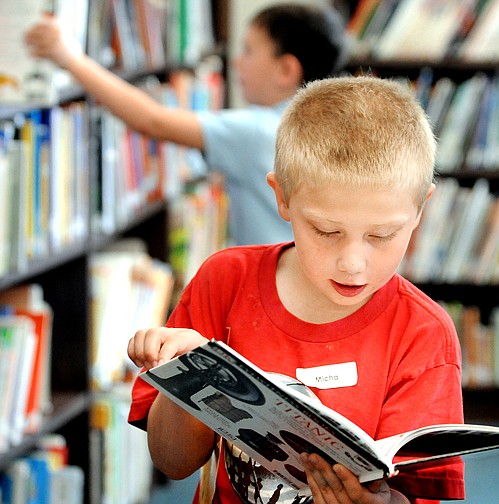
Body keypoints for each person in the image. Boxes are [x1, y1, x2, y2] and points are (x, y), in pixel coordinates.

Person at [127, 75, 465, 504]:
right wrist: (189, 376)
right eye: (326, 231)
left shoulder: (423, 333)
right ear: (281, 197)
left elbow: (421, 494)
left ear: (421, 210)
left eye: (381, 236)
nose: (353, 262)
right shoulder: (225, 281)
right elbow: (171, 462)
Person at [25, 3, 348, 245]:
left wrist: (70, 59)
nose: (236, 61)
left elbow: (155, 121)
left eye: (248, 51)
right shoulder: (332, 126)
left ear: (286, 70)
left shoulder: (263, 131)